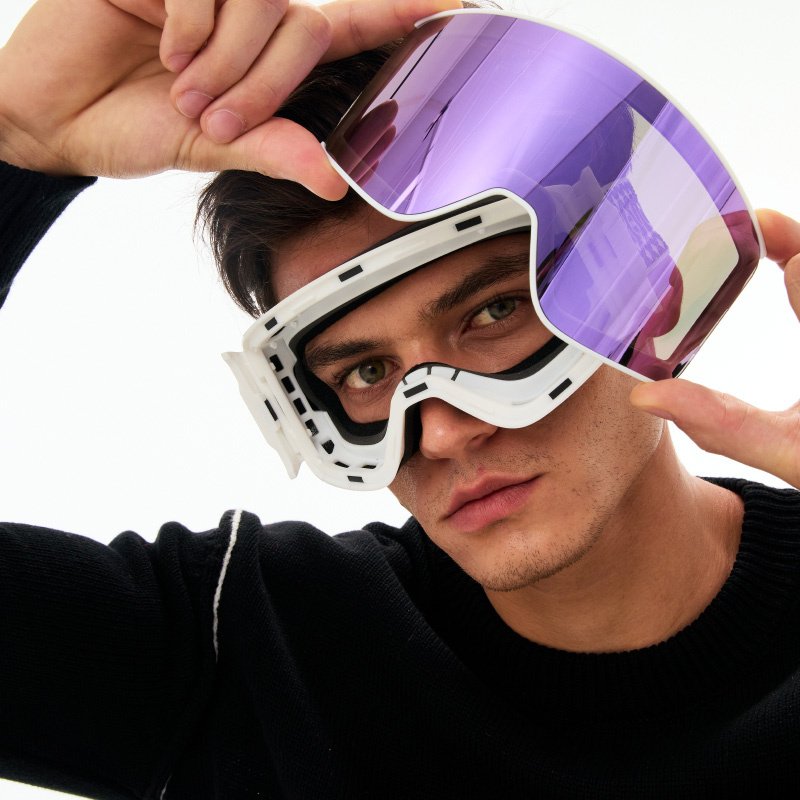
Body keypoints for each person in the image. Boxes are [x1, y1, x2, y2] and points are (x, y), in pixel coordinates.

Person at [1, 1, 800, 799]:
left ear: (642, 291)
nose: (443, 433)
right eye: (367, 373)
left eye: (493, 312)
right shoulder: (254, 645)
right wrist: (15, 142)